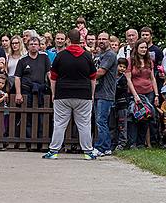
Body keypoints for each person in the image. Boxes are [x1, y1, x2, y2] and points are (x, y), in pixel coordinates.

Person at [43, 28, 97, 160]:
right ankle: (88, 152)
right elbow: (93, 78)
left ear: (68, 39)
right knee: (84, 124)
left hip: (63, 94)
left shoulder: (60, 56)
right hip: (83, 94)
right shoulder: (87, 56)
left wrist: (54, 94)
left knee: (60, 123)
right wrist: (92, 95)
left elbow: (53, 77)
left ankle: (53, 151)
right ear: (80, 40)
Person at [14, 35, 51, 139]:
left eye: (35, 44)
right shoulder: (23, 60)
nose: (33, 46)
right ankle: (28, 140)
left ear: (39, 46)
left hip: (41, 91)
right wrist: (18, 93)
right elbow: (17, 77)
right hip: (26, 91)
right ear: (27, 46)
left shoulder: (44, 57)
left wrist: (54, 89)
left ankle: (40, 139)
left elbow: (49, 74)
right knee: (27, 116)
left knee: (41, 116)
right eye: (31, 44)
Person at [126, 40, 159, 147]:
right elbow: (128, 79)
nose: (144, 50)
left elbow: (153, 78)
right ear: (137, 48)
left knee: (146, 118)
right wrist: (135, 95)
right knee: (133, 118)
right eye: (141, 47)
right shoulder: (130, 61)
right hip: (135, 93)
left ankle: (141, 144)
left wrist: (156, 94)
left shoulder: (149, 61)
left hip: (148, 93)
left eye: (145, 48)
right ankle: (132, 143)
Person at [92, 31, 118, 156]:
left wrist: (84, 76)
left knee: (101, 121)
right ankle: (107, 147)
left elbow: (101, 72)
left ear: (109, 41)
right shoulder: (98, 54)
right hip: (97, 92)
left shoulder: (110, 55)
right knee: (100, 121)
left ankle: (101, 148)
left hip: (106, 93)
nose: (101, 41)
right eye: (100, 39)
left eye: (104, 39)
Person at [111, 58, 130, 150]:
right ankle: (113, 142)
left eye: (124, 67)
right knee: (112, 124)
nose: (122, 69)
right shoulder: (111, 77)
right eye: (120, 66)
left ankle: (122, 143)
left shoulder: (124, 79)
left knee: (122, 124)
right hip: (113, 103)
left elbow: (121, 90)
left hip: (122, 104)